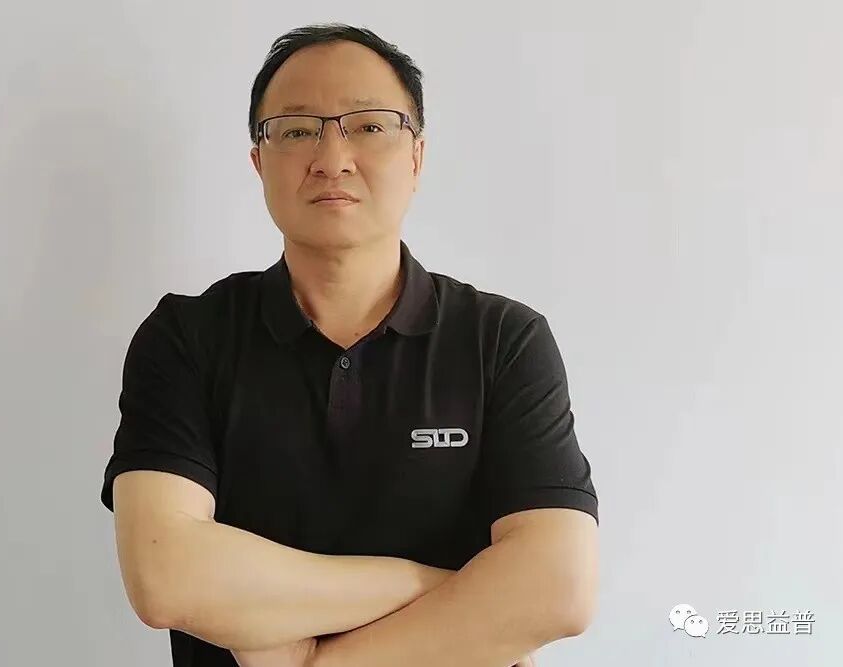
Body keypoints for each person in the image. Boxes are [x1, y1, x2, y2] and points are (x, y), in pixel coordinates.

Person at [100, 23, 599, 667]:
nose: (332, 157)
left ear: (416, 156)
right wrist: (428, 586)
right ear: (258, 161)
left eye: (368, 126)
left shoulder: (502, 340)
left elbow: (557, 589)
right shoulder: (187, 338)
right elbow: (166, 576)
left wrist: (315, 661)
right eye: (297, 130)